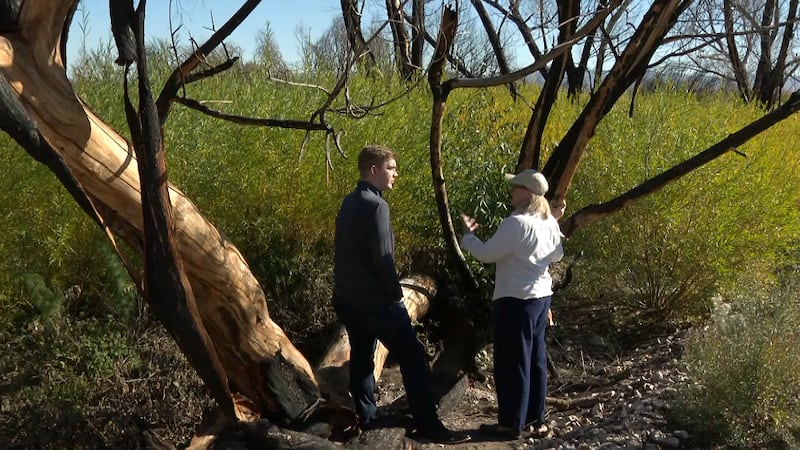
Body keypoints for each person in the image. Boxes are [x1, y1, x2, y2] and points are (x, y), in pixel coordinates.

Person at [332, 144, 470, 444]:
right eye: (391, 168)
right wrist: (396, 297)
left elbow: (343, 254)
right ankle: (428, 424)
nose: (395, 174)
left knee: (362, 358)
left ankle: (366, 419)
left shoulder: (349, 201)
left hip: (348, 300)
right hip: (376, 302)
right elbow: (384, 258)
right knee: (414, 356)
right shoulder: (377, 206)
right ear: (374, 170)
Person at [460, 169, 565, 440]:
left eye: (516, 187)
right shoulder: (549, 223)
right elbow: (556, 254)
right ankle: (535, 420)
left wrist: (469, 236)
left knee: (512, 361)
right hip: (541, 297)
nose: (512, 191)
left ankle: (510, 424)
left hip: (515, 299)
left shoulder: (516, 223)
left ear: (527, 193)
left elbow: (486, 254)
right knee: (535, 359)